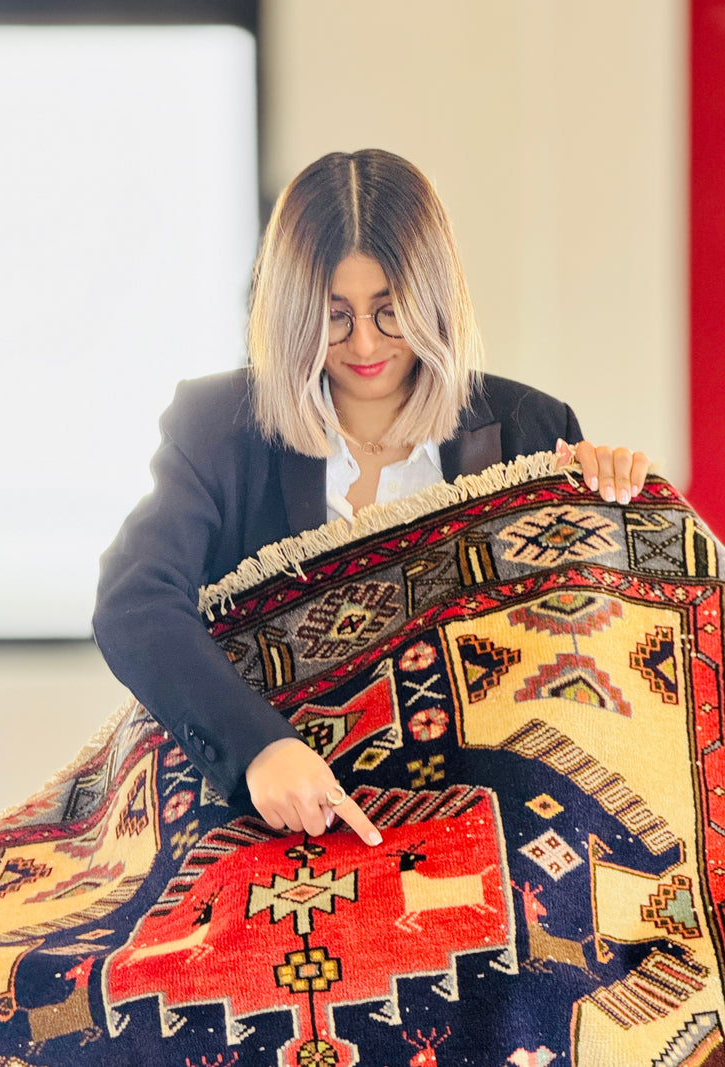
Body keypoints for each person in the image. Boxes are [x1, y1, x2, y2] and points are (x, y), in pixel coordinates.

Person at [93, 149, 648, 855]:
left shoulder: (531, 430)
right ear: (293, 310)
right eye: (333, 315)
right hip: (260, 831)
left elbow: (590, 666)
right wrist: (259, 750)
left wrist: (609, 502)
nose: (363, 344)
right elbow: (134, 599)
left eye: (391, 313)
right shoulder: (219, 427)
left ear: (435, 301)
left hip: (477, 839)